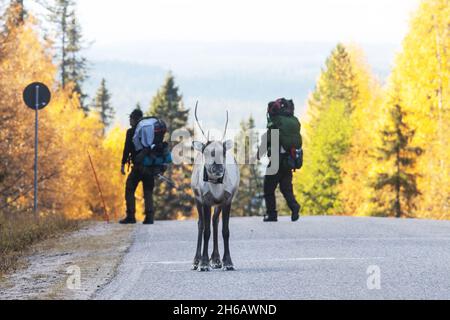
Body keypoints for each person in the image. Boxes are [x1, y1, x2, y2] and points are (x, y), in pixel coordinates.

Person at [258, 98, 302, 223]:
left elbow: (267, 140)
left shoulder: (275, 124)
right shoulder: (290, 122)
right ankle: (294, 206)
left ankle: (272, 214)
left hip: (276, 161)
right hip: (289, 160)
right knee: (286, 188)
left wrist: (258, 154)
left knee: (268, 189)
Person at [120, 109, 155, 225]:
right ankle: (149, 217)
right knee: (148, 191)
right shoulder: (150, 131)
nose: (129, 120)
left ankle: (131, 216)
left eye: (130, 118)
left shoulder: (131, 132)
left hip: (138, 167)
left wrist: (122, 164)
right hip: (150, 166)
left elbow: (127, 149)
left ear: (135, 119)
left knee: (129, 188)